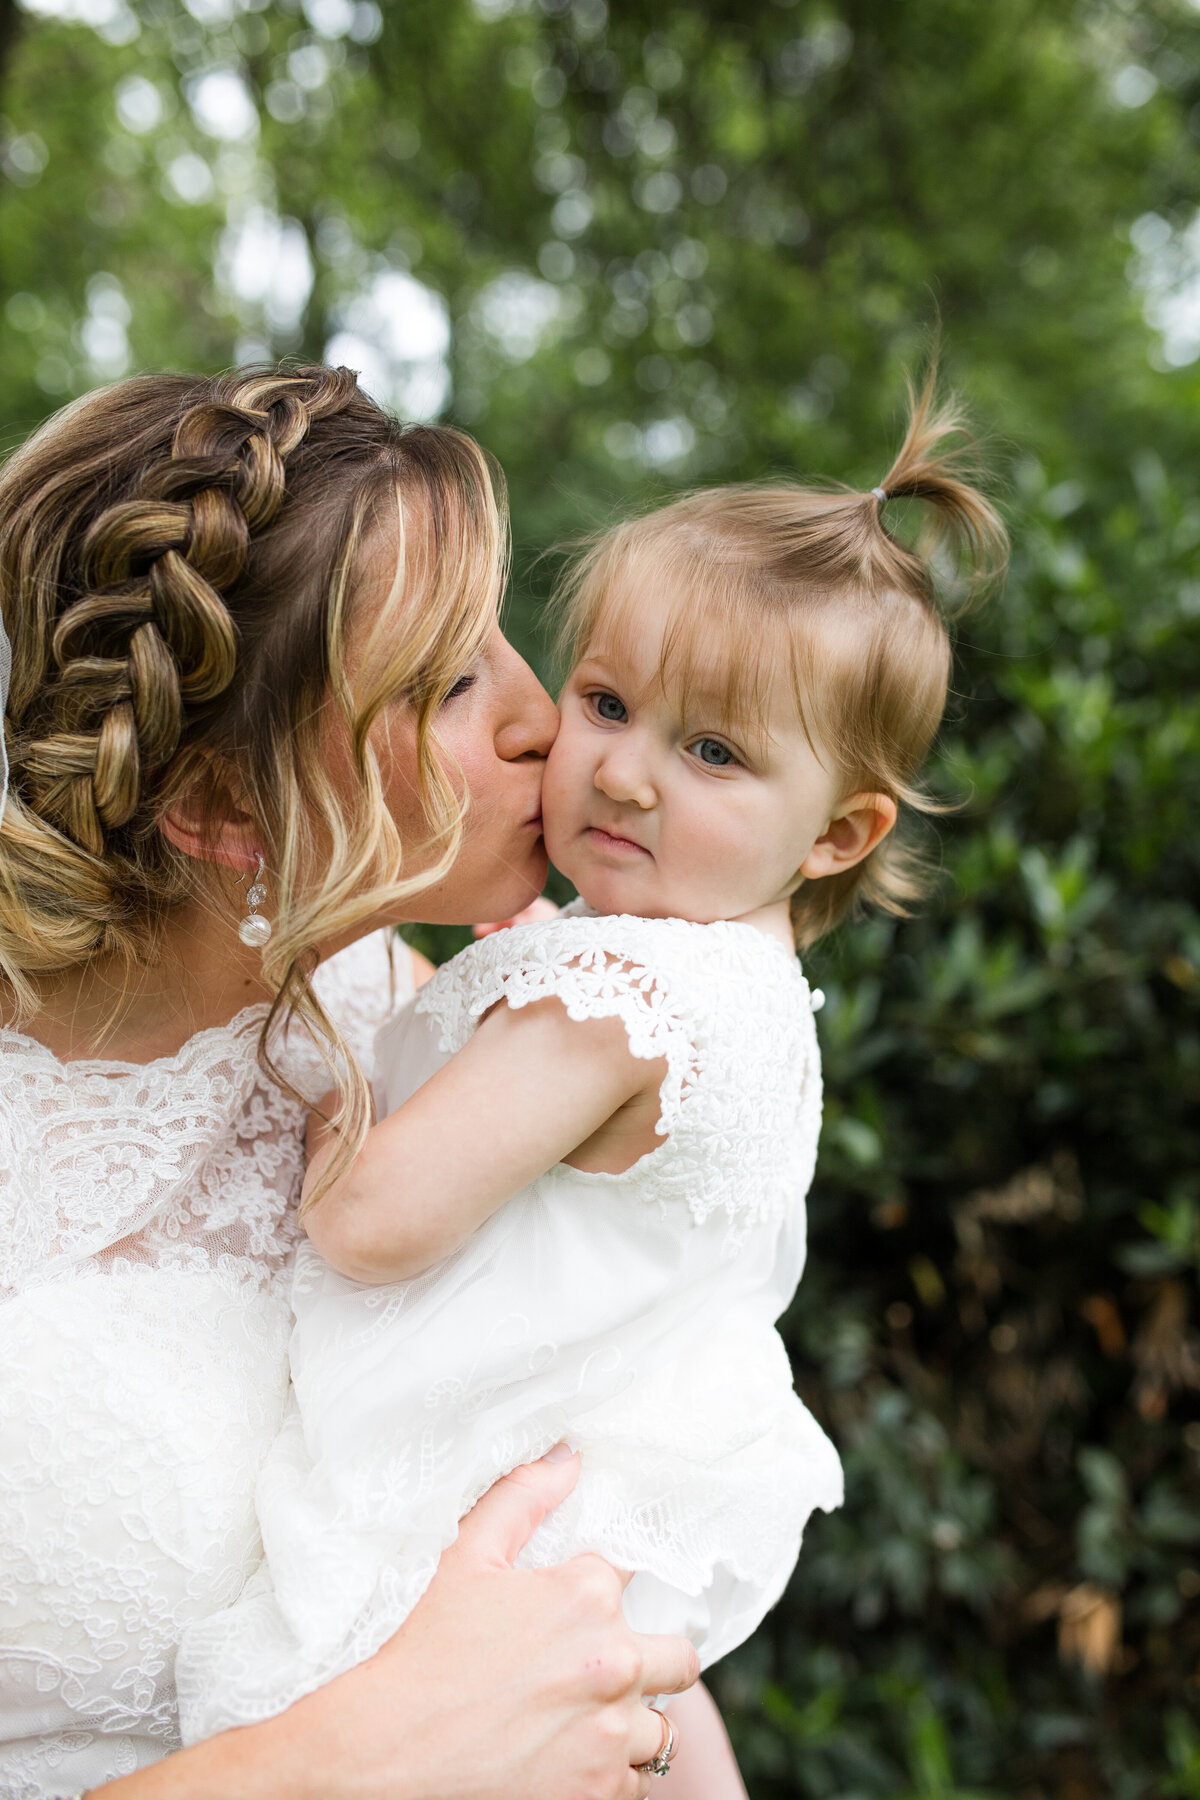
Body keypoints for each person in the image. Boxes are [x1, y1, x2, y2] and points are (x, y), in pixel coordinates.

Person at [172, 378, 1008, 1781]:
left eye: (715, 751)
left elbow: (372, 1223)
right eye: (610, 702)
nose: (620, 774)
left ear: (839, 833)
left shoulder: (628, 1000)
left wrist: (322, 1102)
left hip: (471, 1512)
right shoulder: (716, 982)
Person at [0, 364, 704, 1800]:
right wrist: (354, 1763)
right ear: (215, 805)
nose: (544, 721)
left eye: (507, 640)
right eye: (450, 682)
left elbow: (590, 1558)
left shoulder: (431, 1026)